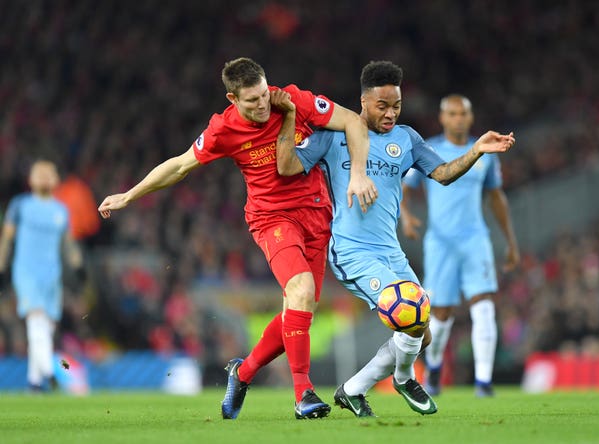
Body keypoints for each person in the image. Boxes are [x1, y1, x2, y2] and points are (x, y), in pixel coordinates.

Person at [97, 57, 378, 420]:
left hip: (317, 216)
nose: (262, 105)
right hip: (272, 218)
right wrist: (129, 195)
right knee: (302, 292)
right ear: (232, 99)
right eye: (251, 101)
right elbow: (181, 165)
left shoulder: (294, 101)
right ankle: (303, 394)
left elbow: (353, 121)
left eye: (263, 95)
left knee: (299, 308)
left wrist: (357, 174)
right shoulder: (223, 129)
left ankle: (242, 373)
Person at [275, 61, 515, 416]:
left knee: (423, 332)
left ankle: (355, 388)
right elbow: (287, 166)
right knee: (410, 315)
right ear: (363, 102)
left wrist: (476, 149)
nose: (390, 114)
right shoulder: (333, 135)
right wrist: (291, 119)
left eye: (396, 106)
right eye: (382, 106)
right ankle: (403, 378)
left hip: (391, 252)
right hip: (351, 250)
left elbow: (444, 173)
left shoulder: (406, 138)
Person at [401, 94, 520, 397]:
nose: (458, 119)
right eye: (452, 114)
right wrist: (405, 215)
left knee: (484, 305)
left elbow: (496, 196)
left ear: (470, 117)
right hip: (440, 243)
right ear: (442, 118)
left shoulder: (486, 152)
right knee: (440, 314)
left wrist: (510, 241)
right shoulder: (429, 149)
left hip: (475, 240)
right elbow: (405, 185)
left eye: (462, 114)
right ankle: (436, 366)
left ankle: (483, 381)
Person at [0, 160, 85, 391]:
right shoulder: (20, 206)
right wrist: (1, 265)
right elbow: (7, 239)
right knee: (36, 320)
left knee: (45, 327)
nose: (45, 178)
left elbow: (68, 243)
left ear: (56, 179)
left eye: (50, 174)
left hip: (51, 275)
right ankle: (49, 371)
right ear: (31, 179)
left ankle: (34, 382)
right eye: (40, 174)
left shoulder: (60, 210)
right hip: (26, 271)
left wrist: (79, 267)